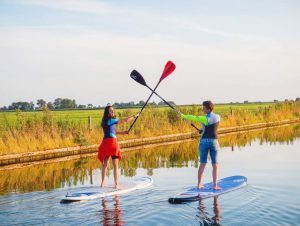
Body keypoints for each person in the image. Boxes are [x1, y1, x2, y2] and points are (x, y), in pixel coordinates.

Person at [181, 101, 221, 190]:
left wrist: (183, 116)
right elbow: (211, 128)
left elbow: (193, 117)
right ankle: (215, 186)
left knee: (202, 163)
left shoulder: (204, 118)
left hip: (204, 142)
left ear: (208, 109)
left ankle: (199, 184)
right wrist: (202, 130)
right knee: (215, 165)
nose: (202, 109)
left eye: (203, 108)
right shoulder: (218, 117)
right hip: (214, 142)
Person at [98, 104, 139, 189]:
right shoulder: (111, 120)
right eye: (110, 111)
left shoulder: (105, 121)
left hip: (105, 143)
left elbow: (112, 132)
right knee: (115, 165)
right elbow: (125, 120)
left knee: (105, 164)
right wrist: (135, 116)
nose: (112, 112)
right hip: (112, 144)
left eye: (113, 110)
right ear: (107, 113)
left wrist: (122, 132)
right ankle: (116, 184)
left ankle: (102, 183)